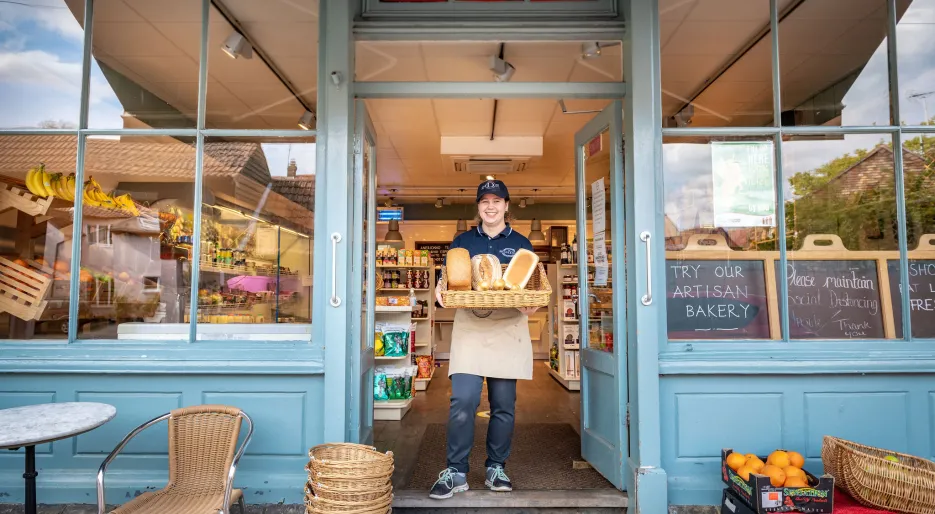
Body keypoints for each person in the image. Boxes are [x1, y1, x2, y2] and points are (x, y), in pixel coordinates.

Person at [429, 179, 539, 500]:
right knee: (462, 402)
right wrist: (441, 292)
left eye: (497, 201)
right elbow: (445, 285)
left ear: (507, 206)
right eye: (484, 201)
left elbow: (530, 295)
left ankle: (496, 467)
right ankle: (456, 471)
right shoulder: (461, 242)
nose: (490, 207)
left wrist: (529, 301)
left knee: (503, 406)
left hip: (507, 330)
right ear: (478, 207)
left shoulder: (522, 244)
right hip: (470, 329)